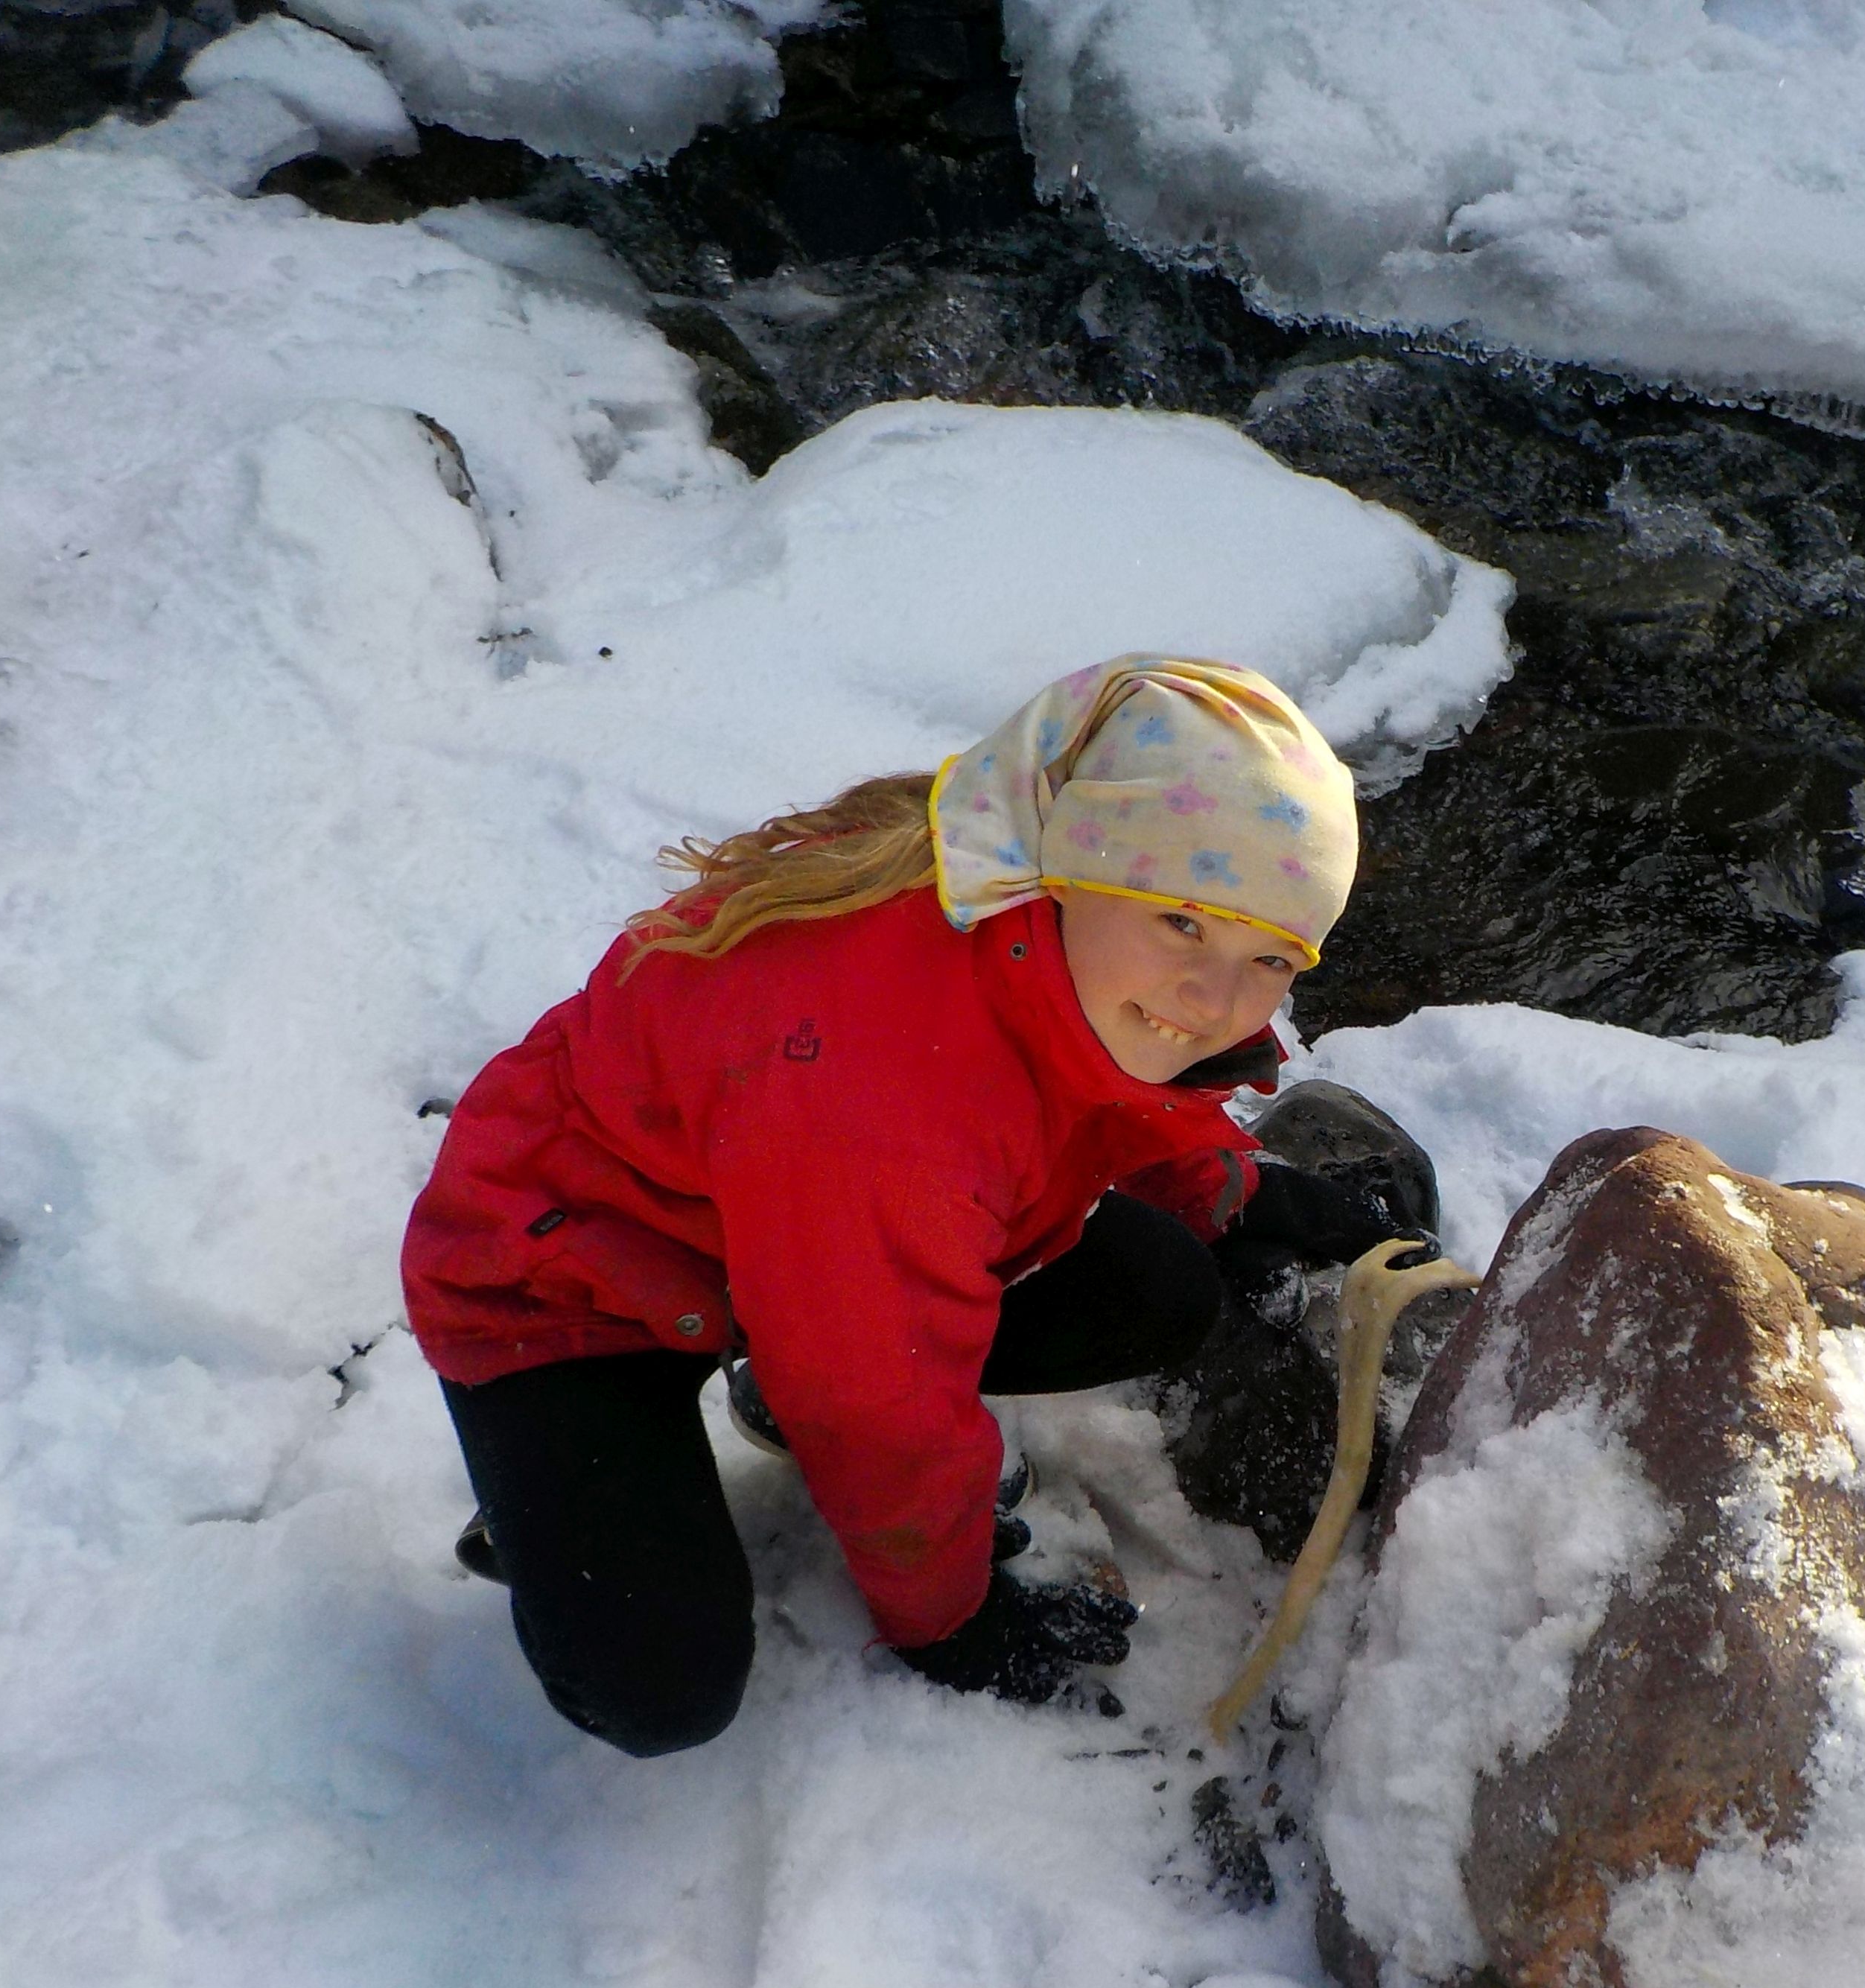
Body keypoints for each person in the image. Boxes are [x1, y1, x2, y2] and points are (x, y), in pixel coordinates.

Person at [401, 656, 1406, 1754]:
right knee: (658, 1683)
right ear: (1080, 870)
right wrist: (951, 1619)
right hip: (567, 1276)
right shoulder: (887, 1106)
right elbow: (876, 1399)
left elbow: (1107, 1087)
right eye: (1183, 926)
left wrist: (1235, 1187)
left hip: (782, 1231)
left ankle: (769, 1374)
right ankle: (552, 1514)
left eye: (1271, 956)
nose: (1216, 1000)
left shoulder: (1022, 908)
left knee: (1158, 1288)